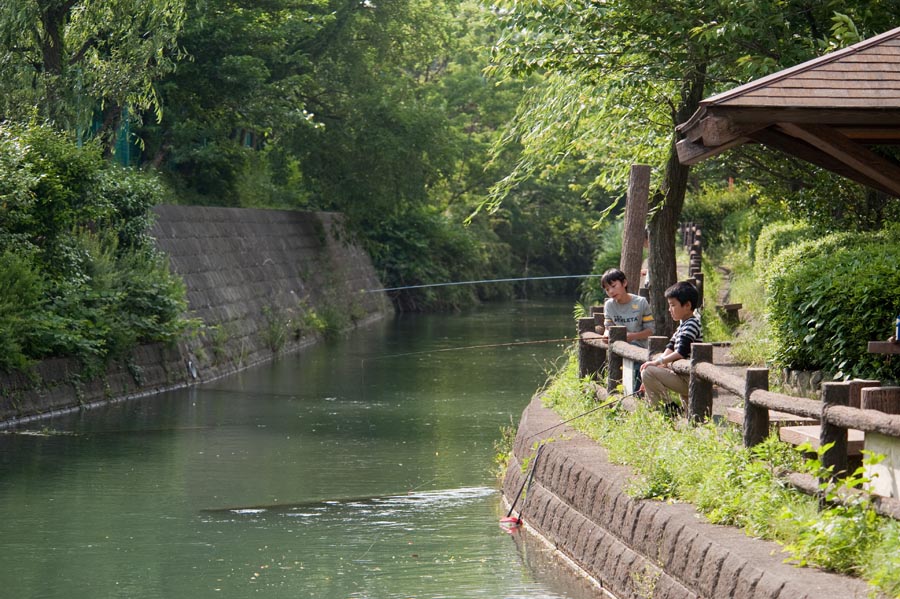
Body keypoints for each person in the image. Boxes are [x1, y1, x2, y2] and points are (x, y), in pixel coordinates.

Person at [639, 280, 702, 413]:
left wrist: (658, 362)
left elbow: (681, 352)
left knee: (648, 371)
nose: (669, 309)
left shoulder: (691, 324)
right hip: (681, 373)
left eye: (673, 305)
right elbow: (671, 346)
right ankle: (664, 410)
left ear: (687, 305)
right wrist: (657, 363)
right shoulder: (683, 324)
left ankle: (668, 409)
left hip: (687, 378)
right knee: (648, 370)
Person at [600, 268, 654, 348]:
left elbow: (650, 331)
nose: (611, 291)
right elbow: (608, 328)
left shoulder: (641, 302)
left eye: (613, 286)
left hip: (639, 349)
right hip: (617, 347)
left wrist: (633, 336)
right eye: (607, 289)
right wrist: (606, 335)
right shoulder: (609, 305)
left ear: (624, 283)